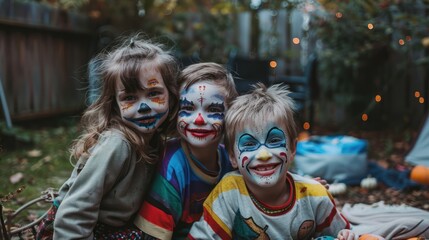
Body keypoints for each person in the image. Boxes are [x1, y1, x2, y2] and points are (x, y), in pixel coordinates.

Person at [36, 34, 180, 239]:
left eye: (153, 93)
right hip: (73, 230)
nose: (144, 107)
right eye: (130, 98)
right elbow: (73, 213)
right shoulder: (117, 144)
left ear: (171, 95)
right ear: (115, 105)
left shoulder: (153, 139)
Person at [188, 83, 355, 240]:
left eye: (274, 141)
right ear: (232, 156)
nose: (263, 154)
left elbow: (343, 233)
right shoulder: (230, 192)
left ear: (292, 149)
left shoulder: (315, 195)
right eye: (249, 144)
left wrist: (346, 234)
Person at [133, 62, 238, 239]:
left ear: (231, 114)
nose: (198, 119)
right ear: (176, 112)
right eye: (188, 108)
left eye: (213, 109)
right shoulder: (173, 165)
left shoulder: (230, 162)